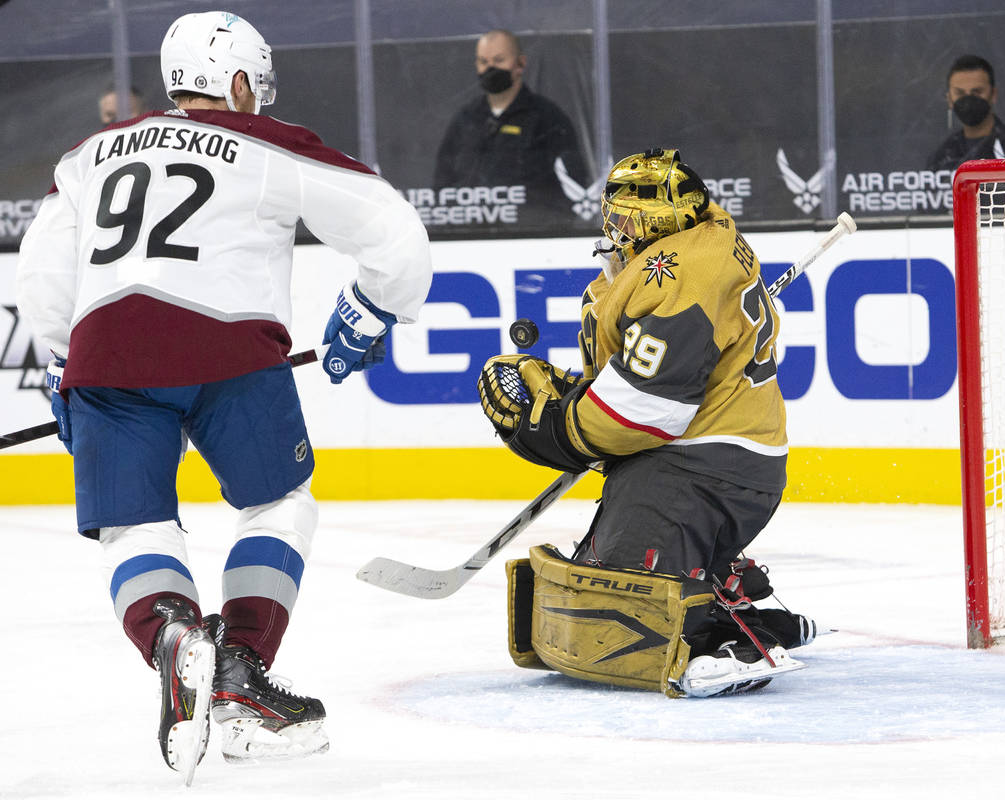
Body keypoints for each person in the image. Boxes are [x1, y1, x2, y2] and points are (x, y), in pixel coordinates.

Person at [15, 11, 431, 779]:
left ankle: (171, 634)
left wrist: (62, 367)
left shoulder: (88, 152)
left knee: (133, 528)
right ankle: (240, 673)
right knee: (279, 503)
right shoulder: (270, 144)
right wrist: (376, 305)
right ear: (237, 81)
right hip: (228, 347)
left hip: (106, 353)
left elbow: (42, 273)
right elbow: (394, 229)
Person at [478, 149, 816, 698]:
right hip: (707, 464)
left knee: (611, 617)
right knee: (595, 581)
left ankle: (715, 636)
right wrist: (570, 394)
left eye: (625, 217)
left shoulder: (685, 272)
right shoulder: (693, 249)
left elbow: (642, 411)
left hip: (696, 471)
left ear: (655, 224)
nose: (613, 228)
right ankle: (719, 585)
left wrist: (549, 426)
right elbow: (640, 377)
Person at [433, 29, 589, 221]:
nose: (490, 68)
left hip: (534, 234)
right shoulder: (465, 120)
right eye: (484, 62)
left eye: (499, 60)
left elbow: (573, 182)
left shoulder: (547, 118)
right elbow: (442, 182)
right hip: (470, 233)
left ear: (520, 64)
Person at [927, 54, 1005, 172]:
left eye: (977, 92)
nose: (968, 100)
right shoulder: (942, 158)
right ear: (949, 99)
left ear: (993, 94)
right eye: (960, 93)